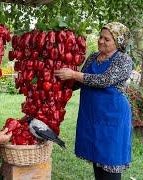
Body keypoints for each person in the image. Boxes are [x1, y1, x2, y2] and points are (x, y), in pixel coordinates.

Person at [54, 22, 133, 180]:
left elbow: (104, 80)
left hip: (113, 118)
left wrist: (73, 75)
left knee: (111, 162)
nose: (101, 41)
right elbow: (80, 82)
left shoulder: (124, 60)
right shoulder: (93, 57)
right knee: (97, 160)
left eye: (107, 39)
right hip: (92, 116)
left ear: (118, 42)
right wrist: (57, 79)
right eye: (100, 37)